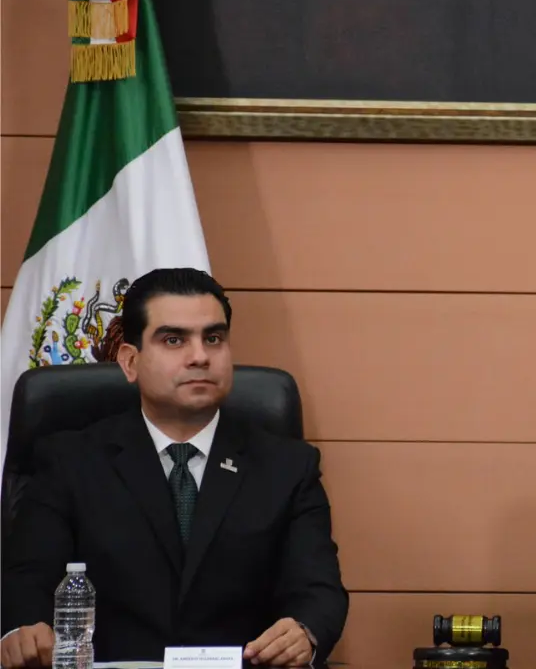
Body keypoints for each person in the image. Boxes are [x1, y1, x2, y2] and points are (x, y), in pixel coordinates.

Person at [0, 268, 348, 668]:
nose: (199, 355)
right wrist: (22, 630)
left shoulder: (287, 467)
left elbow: (319, 589)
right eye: (174, 339)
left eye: (213, 338)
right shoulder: (69, 460)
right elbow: (27, 576)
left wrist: (304, 631)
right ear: (130, 361)